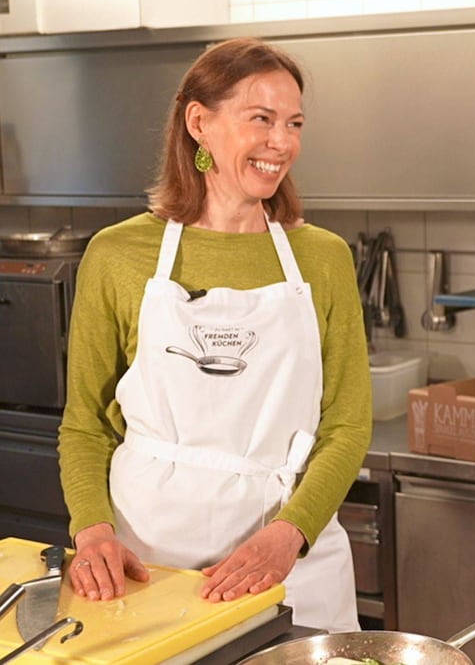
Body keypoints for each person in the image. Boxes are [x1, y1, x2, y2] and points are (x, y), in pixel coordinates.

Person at [58, 37, 372, 633]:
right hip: (149, 557)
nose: (282, 143)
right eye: (262, 119)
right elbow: (86, 425)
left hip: (288, 559)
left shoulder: (323, 259)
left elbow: (348, 425)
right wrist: (92, 528)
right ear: (199, 122)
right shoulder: (118, 254)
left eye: (294, 123)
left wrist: (289, 535)